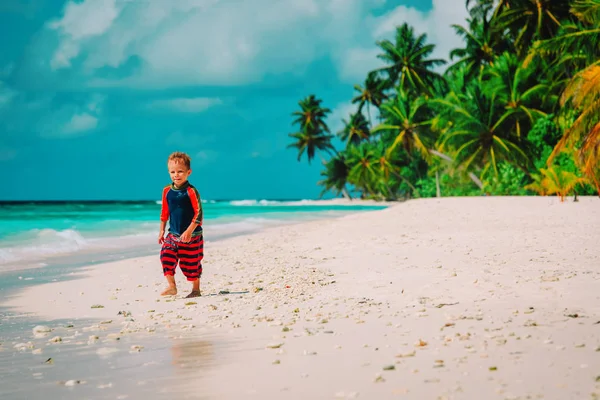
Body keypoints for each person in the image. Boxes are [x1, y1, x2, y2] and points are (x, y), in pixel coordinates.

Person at [158, 151, 204, 298]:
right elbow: (164, 213)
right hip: (173, 234)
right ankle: (172, 286)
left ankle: (196, 289)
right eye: (172, 172)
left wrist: (190, 231)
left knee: (191, 264)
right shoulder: (166, 191)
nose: (176, 175)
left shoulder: (191, 191)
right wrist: (161, 231)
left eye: (180, 172)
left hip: (192, 235)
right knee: (166, 255)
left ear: (188, 172)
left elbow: (198, 213)